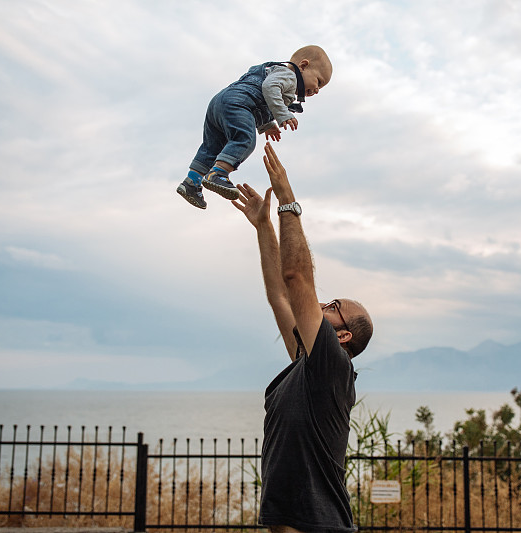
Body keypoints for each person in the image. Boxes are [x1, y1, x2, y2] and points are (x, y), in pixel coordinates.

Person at [233, 142, 373, 533]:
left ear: (342, 334)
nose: (321, 304)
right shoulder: (308, 365)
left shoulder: (333, 365)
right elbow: (280, 293)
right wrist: (263, 226)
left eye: (332, 305)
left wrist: (287, 202)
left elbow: (297, 279)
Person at [177, 45, 333, 210]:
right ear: (303, 66)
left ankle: (191, 183)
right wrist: (283, 115)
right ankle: (218, 173)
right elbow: (269, 89)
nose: (316, 90)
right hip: (237, 103)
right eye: (319, 82)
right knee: (245, 139)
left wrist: (267, 125)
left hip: (220, 103)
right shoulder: (288, 76)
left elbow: (258, 103)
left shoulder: (273, 72)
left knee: (213, 146)